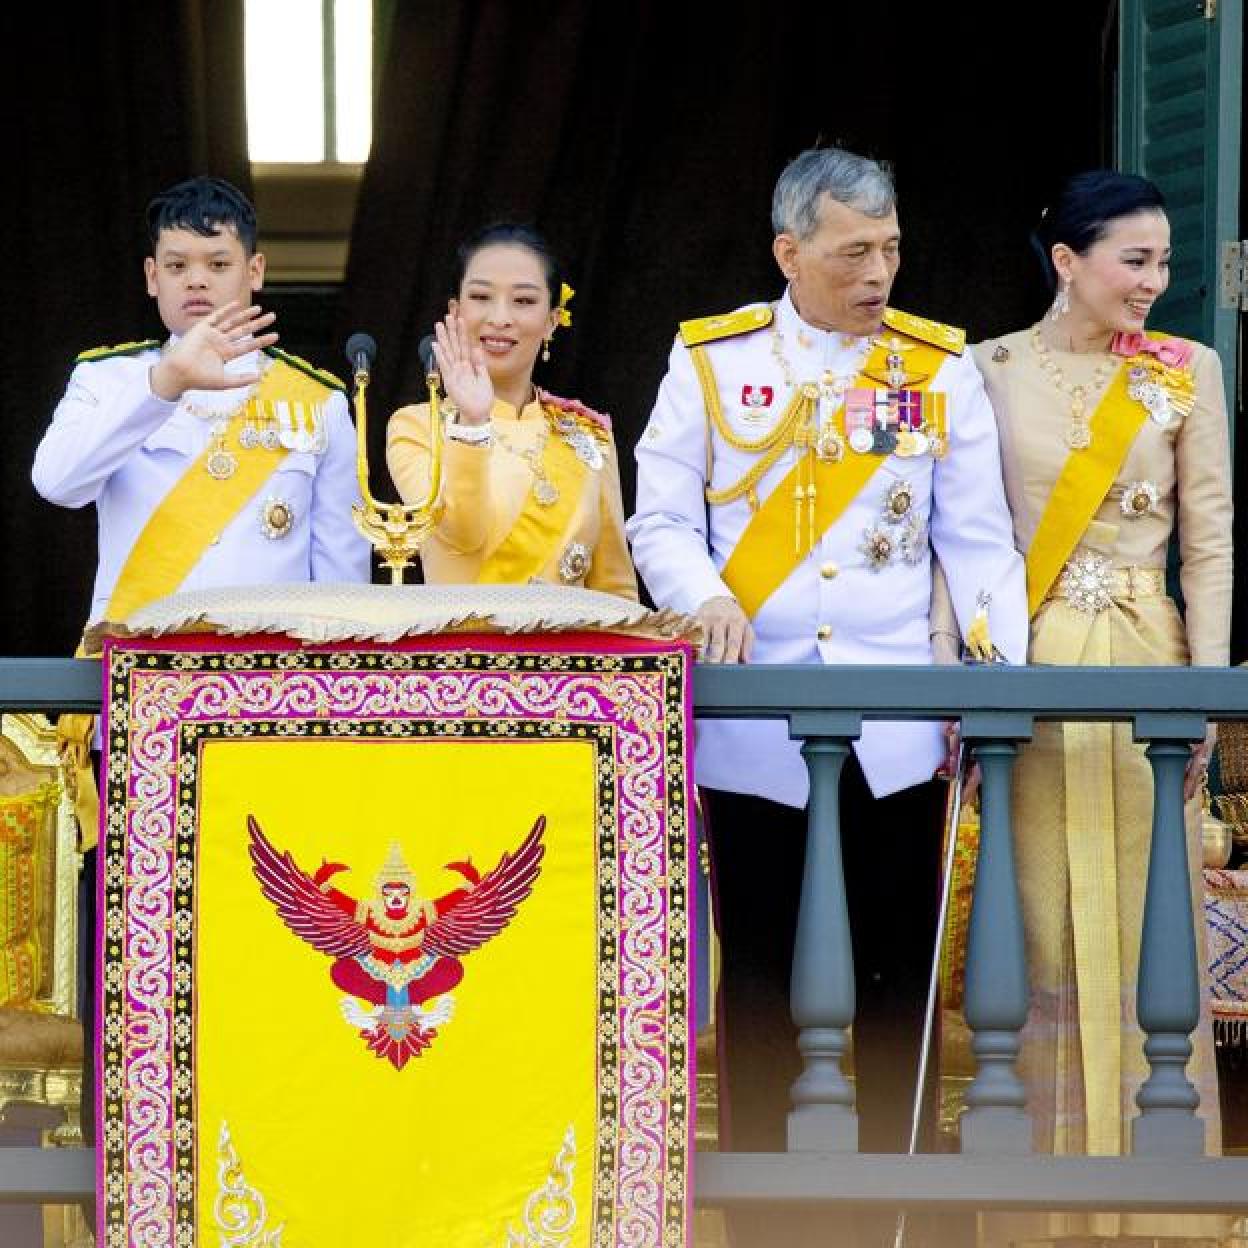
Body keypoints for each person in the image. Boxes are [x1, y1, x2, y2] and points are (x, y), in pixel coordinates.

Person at [627, 145, 1028, 1246]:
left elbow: (979, 542)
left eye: (890, 248)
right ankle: (767, 1222)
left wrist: (985, 682)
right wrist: (704, 595)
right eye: (854, 250)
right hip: (756, 731)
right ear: (788, 251)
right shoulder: (713, 360)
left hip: (897, 727)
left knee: (900, 980)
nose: (878, 272)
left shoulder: (935, 369)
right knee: (757, 977)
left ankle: (897, 1209)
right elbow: (658, 516)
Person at [964, 171, 1232, 1247]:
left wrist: (1209, 682)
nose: (1155, 284)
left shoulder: (1188, 372)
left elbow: (1209, 540)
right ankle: (1040, 1212)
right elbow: (967, 539)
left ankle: (1159, 1204)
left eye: (1165, 263)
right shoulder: (985, 371)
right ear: (1067, 262)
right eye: (1136, 260)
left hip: (1147, 665)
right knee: (1037, 929)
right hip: (1028, 666)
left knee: (1146, 921)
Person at [32, 175, 369, 626]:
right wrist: (162, 385)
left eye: (217, 264)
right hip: (140, 668)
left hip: (270, 677)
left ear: (255, 270)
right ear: (153, 277)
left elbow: (341, 584)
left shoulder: (318, 401)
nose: (196, 281)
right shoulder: (107, 379)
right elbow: (57, 484)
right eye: (177, 267)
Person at [385, 223, 637, 598]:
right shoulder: (418, 426)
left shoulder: (588, 436)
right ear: (456, 311)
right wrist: (471, 423)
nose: (500, 317)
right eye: (481, 297)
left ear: (552, 320)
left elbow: (615, 590)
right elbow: (462, 533)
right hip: (464, 654)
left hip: (569, 654)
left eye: (523, 301)